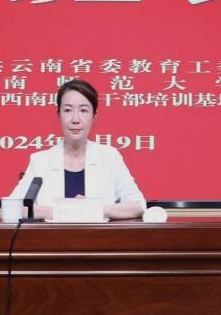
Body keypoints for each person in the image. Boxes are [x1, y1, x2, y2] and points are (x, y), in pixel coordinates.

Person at [10, 79, 146, 220]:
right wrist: (65, 210)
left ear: (94, 115)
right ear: (59, 114)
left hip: (99, 234)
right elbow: (14, 208)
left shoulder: (109, 156)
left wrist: (94, 209)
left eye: (83, 110)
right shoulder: (40, 160)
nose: (75, 119)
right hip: (52, 234)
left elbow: (139, 205)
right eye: (68, 110)